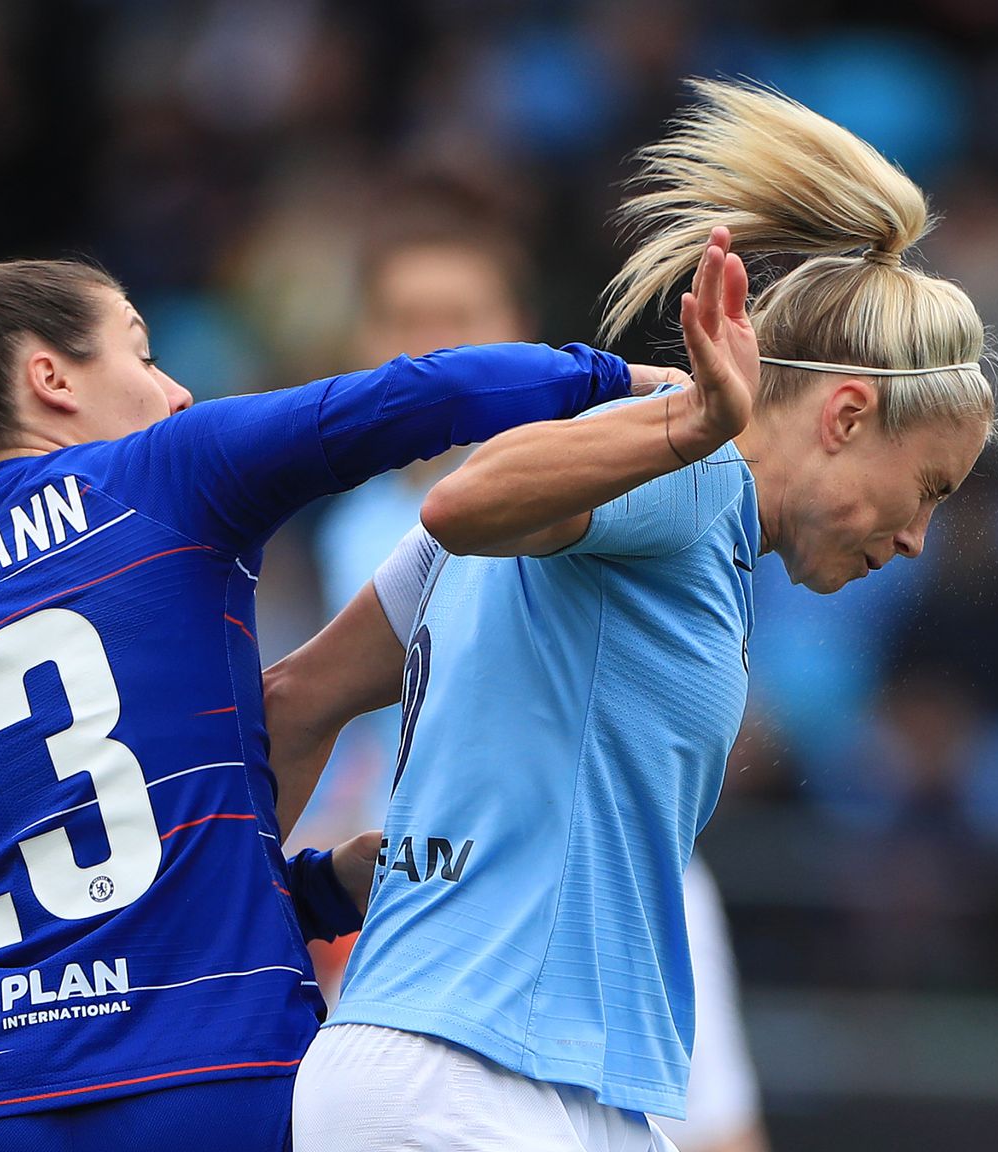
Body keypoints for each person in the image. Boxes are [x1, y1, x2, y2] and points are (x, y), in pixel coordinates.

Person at [0, 257, 679, 1151]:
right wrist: (630, 383)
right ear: (50, 378)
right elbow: (407, 397)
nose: (176, 393)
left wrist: (326, 890)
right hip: (199, 1075)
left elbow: (63, 918)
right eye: (141, 357)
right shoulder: (147, 481)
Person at [276, 81, 998, 1150]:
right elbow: (464, 500)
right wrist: (690, 423)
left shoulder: (663, 506)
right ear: (847, 415)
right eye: (929, 487)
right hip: (461, 1077)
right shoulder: (689, 470)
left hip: (544, 1084)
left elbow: (292, 701)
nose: (914, 539)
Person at [292, 176, 774, 1151]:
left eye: (456, 319)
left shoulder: (611, 482)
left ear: (516, 330)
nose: (425, 347)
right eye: (398, 319)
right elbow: (318, 707)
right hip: (411, 898)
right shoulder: (352, 528)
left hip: (601, 888)